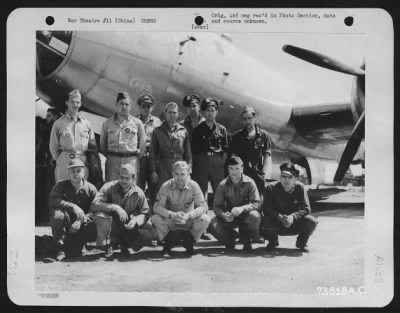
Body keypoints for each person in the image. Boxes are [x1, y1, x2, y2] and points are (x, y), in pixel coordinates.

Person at [90, 164, 157, 259]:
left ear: (133, 179)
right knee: (100, 215)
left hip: (128, 225)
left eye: (127, 178)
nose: (123, 181)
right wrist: (114, 207)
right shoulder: (109, 187)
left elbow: (145, 212)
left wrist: (136, 221)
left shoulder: (139, 192)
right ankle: (108, 244)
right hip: (111, 224)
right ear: (118, 176)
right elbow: (94, 205)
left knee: (151, 233)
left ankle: (125, 243)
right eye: (121, 177)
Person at [151, 161, 210, 256]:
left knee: (205, 219)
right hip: (171, 220)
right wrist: (171, 214)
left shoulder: (194, 186)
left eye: (182, 174)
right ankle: (168, 242)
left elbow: (203, 206)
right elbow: (156, 207)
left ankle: (190, 241)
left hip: (187, 220)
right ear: (172, 173)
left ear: (188, 173)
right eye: (176, 174)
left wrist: (189, 215)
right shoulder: (166, 186)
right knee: (155, 218)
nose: (179, 177)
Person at [208, 156, 262, 251]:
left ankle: (251, 238)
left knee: (255, 216)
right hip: (229, 217)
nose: (234, 171)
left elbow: (257, 203)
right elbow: (216, 207)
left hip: (245, 216)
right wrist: (224, 215)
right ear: (228, 169)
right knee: (213, 224)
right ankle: (229, 238)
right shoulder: (222, 185)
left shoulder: (250, 183)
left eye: (237, 168)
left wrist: (242, 208)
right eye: (231, 168)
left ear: (242, 168)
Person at [261, 162, 318, 253]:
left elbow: (306, 209)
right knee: (262, 220)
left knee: (311, 221)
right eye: (283, 176)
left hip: (294, 224)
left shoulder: (300, 188)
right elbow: (266, 208)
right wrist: (279, 217)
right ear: (280, 177)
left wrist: (293, 217)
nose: (286, 180)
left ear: (295, 179)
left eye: (290, 177)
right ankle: (272, 241)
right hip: (277, 223)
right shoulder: (271, 188)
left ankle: (301, 242)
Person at [48, 159, 98, 261]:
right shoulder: (60, 185)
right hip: (65, 221)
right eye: (72, 171)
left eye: (78, 171)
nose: (75, 174)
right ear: (68, 173)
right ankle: (60, 248)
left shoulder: (91, 189)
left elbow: (96, 209)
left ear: (84, 173)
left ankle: (82, 243)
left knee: (100, 219)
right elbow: (53, 200)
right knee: (57, 216)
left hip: (81, 224)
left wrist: (81, 220)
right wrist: (73, 206)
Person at [49, 89, 97, 182]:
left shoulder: (87, 124)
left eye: (77, 102)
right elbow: (53, 147)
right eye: (72, 102)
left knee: (80, 192)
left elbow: (93, 145)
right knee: (63, 192)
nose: (75, 105)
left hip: (81, 161)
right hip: (64, 161)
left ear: (80, 104)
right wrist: (60, 159)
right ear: (67, 103)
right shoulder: (58, 124)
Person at [100, 91, 146, 183]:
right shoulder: (107, 123)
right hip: (113, 163)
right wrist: (114, 156)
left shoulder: (137, 123)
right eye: (121, 104)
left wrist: (130, 156)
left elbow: (142, 146)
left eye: (126, 104)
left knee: (130, 191)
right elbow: (102, 145)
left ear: (130, 107)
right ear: (116, 105)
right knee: (112, 189)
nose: (124, 106)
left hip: (131, 161)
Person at [149, 102, 192, 201]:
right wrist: (153, 171)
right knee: (162, 195)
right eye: (170, 112)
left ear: (178, 114)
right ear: (165, 113)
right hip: (163, 167)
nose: (172, 115)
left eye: (174, 112)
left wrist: (189, 169)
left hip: (179, 167)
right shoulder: (157, 131)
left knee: (179, 195)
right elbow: (153, 153)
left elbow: (188, 153)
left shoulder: (183, 131)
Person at [191, 97, 229, 197]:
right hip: (202, 162)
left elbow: (225, 150)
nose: (210, 113)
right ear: (203, 112)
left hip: (217, 163)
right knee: (200, 191)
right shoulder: (198, 129)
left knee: (219, 190)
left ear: (216, 112)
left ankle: (220, 211)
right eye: (207, 110)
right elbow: (193, 150)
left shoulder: (222, 130)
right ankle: (201, 211)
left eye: (212, 110)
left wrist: (220, 162)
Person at [230, 106, 272, 195]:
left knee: (259, 200)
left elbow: (267, 155)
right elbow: (233, 157)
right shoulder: (237, 137)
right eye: (245, 119)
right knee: (242, 199)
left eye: (249, 118)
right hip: (243, 174)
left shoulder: (264, 135)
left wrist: (263, 172)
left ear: (254, 118)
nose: (247, 121)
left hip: (258, 173)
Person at [136, 93, 162, 204]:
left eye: (149, 106)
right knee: (138, 187)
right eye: (143, 106)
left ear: (152, 107)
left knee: (154, 188)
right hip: (139, 158)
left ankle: (154, 214)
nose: (146, 109)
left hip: (153, 160)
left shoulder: (158, 123)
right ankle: (138, 214)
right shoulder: (133, 121)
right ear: (139, 107)